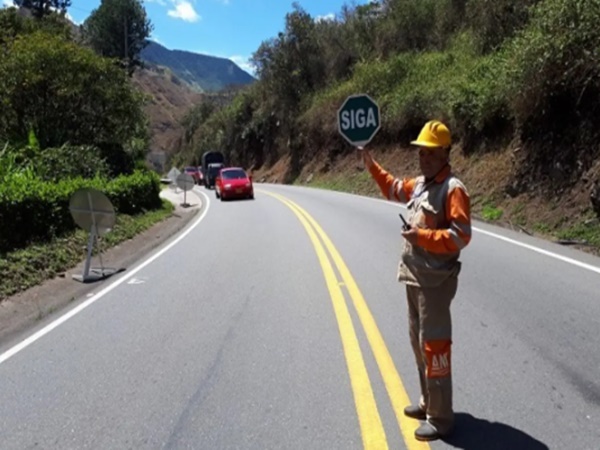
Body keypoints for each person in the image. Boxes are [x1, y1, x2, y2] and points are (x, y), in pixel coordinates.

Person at [361, 120, 472, 442]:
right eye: (420, 152)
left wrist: (422, 237)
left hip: (435, 283)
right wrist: (371, 165)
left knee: (434, 348)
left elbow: (461, 235)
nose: (422, 158)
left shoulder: (453, 189)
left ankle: (441, 418)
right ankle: (427, 402)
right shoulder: (422, 184)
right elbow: (393, 187)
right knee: (418, 343)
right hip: (414, 278)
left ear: (444, 154)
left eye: (429, 153)